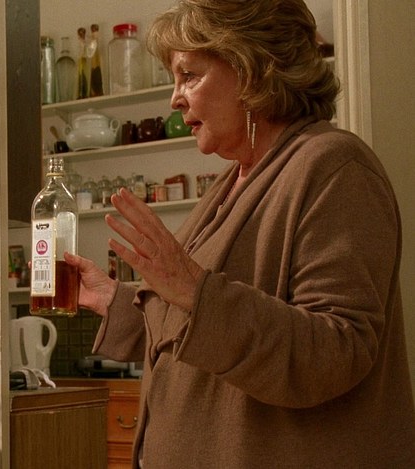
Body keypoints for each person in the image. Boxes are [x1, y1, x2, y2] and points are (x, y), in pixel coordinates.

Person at [65, 1, 415, 467]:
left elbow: (338, 350)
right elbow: (193, 328)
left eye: (190, 76)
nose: (175, 99)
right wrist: (113, 301)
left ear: (253, 71)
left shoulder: (335, 166)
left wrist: (194, 289)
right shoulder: (233, 180)